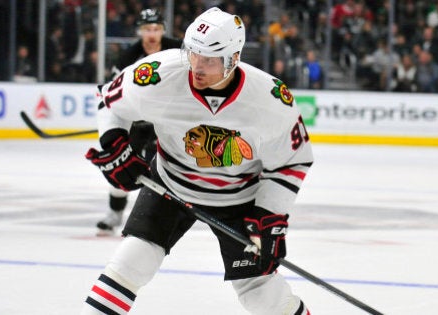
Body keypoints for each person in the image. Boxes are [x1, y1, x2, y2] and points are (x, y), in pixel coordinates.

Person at [82, 7, 313, 314]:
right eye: (193, 54)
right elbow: (110, 101)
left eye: (210, 59)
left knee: (262, 296)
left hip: (240, 199)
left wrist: (271, 214)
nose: (198, 67)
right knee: (130, 263)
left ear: (234, 57)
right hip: (171, 183)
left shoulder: (269, 98)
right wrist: (114, 141)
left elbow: (293, 160)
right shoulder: (159, 74)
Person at [95, 8, 183, 235]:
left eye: (156, 29)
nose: (152, 34)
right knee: (121, 165)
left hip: (167, 119)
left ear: (163, 30)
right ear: (140, 31)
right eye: (147, 29)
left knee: (165, 167)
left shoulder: (178, 49)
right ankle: (114, 214)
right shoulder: (127, 58)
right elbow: (114, 94)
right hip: (138, 121)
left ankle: (160, 218)